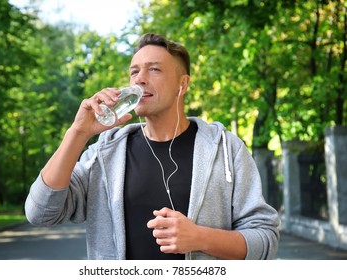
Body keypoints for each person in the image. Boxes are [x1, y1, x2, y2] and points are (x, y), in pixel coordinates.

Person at [25, 33, 280, 260]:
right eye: (134, 71)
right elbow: (40, 213)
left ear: (183, 84)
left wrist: (200, 238)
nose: (140, 79)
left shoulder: (226, 148)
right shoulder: (106, 152)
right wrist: (77, 133)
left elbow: (265, 240)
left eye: (154, 69)